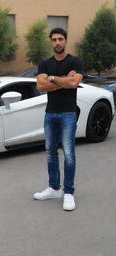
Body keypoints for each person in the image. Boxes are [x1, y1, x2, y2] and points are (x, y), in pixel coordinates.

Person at [34, 27, 84, 211]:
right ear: (51, 42)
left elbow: (74, 83)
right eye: (54, 39)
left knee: (69, 153)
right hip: (50, 113)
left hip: (68, 113)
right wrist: (62, 79)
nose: (57, 43)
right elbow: (40, 87)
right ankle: (54, 188)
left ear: (65, 41)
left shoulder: (75, 61)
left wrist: (53, 79)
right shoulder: (45, 64)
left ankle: (68, 192)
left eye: (60, 39)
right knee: (50, 151)